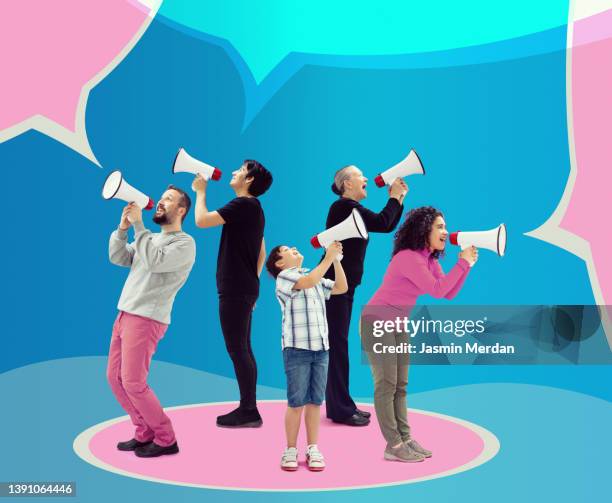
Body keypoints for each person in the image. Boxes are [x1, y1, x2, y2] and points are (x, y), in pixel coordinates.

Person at [362, 206, 478, 462]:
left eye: (445, 227)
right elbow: (436, 290)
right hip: (377, 321)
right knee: (386, 385)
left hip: (399, 324)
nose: (445, 232)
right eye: (439, 226)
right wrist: (461, 262)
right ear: (423, 229)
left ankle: (405, 438)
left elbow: (448, 293)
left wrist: (466, 266)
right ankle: (393, 445)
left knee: (400, 386)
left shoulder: (430, 259)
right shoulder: (408, 258)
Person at [107, 185, 196, 458]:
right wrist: (123, 229)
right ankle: (144, 432)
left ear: (181, 210)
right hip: (125, 314)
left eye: (168, 200)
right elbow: (118, 257)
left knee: (133, 381)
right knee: (115, 378)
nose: (160, 202)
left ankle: (166, 438)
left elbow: (156, 263)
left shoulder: (184, 243)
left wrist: (139, 227)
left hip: (147, 319)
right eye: (160, 198)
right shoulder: (149, 238)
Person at [323, 165, 408, 426]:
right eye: (361, 176)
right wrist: (393, 197)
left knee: (339, 344)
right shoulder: (343, 208)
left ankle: (342, 404)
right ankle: (340, 409)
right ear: (347, 184)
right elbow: (382, 223)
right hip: (333, 286)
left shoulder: (352, 209)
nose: (367, 179)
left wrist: (398, 198)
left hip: (343, 287)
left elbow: (387, 223)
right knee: (336, 345)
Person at [192, 160, 273, 428]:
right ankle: (248, 407)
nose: (234, 171)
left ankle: (249, 410)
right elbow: (262, 251)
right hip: (244, 287)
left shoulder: (243, 204)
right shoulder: (256, 209)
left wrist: (200, 191)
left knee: (237, 348)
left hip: (235, 287)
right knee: (243, 348)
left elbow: (202, 221)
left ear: (249, 180)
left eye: (240, 169)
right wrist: (253, 283)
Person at [266, 242, 348, 471]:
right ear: (279, 263)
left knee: (315, 402)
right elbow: (309, 282)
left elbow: (341, 287)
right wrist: (328, 257)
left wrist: (335, 261)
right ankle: (290, 449)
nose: (293, 248)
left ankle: (313, 448)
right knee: (296, 402)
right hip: (297, 349)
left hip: (321, 349)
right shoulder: (285, 277)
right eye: (286, 249)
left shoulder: (312, 275)